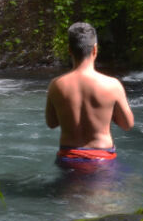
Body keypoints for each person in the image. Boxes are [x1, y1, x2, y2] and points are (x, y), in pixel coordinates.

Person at [45, 22, 134, 166]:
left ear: (69, 50)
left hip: (68, 158)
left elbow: (51, 123)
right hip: (102, 158)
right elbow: (127, 124)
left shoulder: (56, 85)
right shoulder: (112, 85)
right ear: (95, 50)